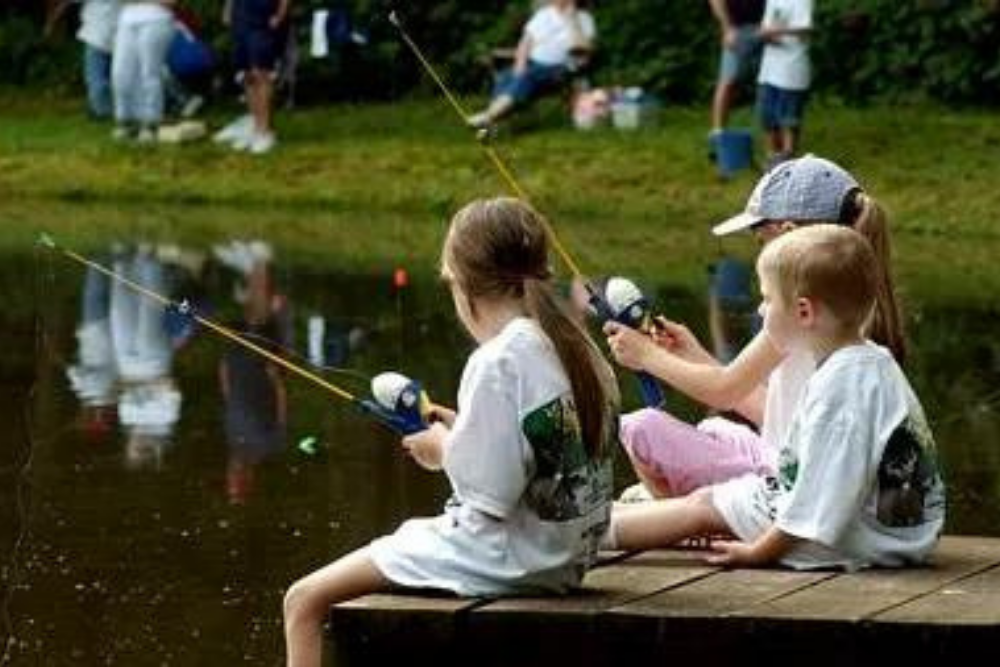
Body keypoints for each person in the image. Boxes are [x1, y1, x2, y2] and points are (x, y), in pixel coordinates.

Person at [282, 197, 619, 667]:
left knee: (303, 600)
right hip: (567, 556)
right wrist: (465, 433)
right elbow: (548, 456)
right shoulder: (575, 344)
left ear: (465, 288)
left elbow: (490, 495)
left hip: (511, 557)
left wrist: (443, 449)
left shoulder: (497, 360)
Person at [605, 224, 946, 570]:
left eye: (767, 299)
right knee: (714, 496)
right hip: (879, 530)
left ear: (803, 312)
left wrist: (759, 553)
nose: (760, 310)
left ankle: (594, 533)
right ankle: (612, 518)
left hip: (854, 538)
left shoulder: (840, 390)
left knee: (704, 506)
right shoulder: (872, 363)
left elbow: (816, 502)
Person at [605, 155, 906, 502]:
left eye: (762, 241)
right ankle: (678, 507)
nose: (759, 252)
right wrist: (695, 356)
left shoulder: (798, 314)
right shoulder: (850, 312)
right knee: (713, 428)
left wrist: (647, 356)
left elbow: (723, 392)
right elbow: (777, 413)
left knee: (642, 429)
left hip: (788, 483)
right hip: (800, 468)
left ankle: (676, 514)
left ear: (789, 234)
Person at [467, 0, 596, 129]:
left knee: (526, 77)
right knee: (506, 77)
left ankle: (489, 116)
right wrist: (520, 65)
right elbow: (525, 43)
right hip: (532, 63)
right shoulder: (543, 15)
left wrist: (572, 20)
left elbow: (583, 50)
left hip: (561, 69)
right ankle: (494, 121)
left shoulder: (584, 19)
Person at [216, 0, 291, 154]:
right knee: (246, 75)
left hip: (263, 16)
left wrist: (280, 14)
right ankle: (255, 128)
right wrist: (228, 8)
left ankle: (265, 132)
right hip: (241, 15)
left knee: (261, 73)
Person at [756, 0, 813, 167]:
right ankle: (772, 160)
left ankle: (789, 162)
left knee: (789, 120)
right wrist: (766, 36)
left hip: (792, 68)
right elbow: (766, 28)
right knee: (767, 118)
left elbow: (806, 29)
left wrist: (779, 31)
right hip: (768, 69)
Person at [111, 0, 177, 142]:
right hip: (126, 21)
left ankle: (150, 123)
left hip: (157, 20)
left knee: (149, 73)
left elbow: (171, 2)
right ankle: (125, 120)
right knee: (120, 73)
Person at [707, 0, 765, 137]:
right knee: (728, 80)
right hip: (737, 29)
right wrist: (727, 28)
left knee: (767, 82)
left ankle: (770, 133)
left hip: (765, 28)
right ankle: (717, 131)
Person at [77, 0, 122, 119]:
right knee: (118, 75)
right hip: (120, 32)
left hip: (96, 34)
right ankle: (103, 106)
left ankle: (101, 109)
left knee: (95, 76)